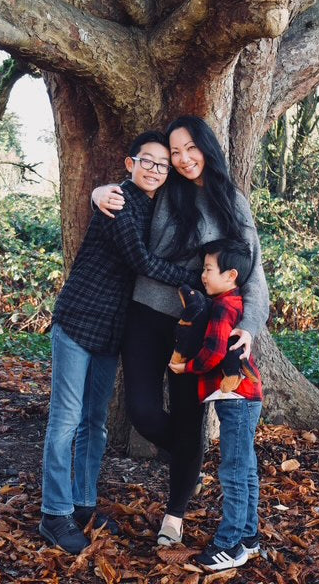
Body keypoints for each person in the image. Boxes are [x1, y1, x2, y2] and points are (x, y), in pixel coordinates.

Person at [92, 116, 269, 547]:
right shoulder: (167, 188)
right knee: (143, 412)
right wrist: (99, 192)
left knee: (190, 417)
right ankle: (192, 457)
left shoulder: (231, 200)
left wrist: (249, 326)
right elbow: (131, 187)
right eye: (175, 152)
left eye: (191, 148)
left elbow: (252, 270)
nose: (183, 158)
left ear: (207, 147)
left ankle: (175, 514)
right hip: (146, 312)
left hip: (199, 325)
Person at [40, 131, 201, 554]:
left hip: (111, 330)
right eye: (148, 161)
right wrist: (193, 280)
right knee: (66, 420)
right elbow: (142, 262)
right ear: (130, 164)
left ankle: (82, 505)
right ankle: (54, 513)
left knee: (94, 422)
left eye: (163, 165)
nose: (155, 169)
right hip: (78, 321)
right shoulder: (119, 201)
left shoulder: (154, 207)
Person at [169, 239, 263, 571]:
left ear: (230, 275)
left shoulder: (224, 307)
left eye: (208, 269)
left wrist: (186, 367)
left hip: (236, 398)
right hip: (246, 398)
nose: (203, 275)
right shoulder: (232, 303)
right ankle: (249, 536)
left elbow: (213, 352)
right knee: (245, 468)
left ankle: (230, 544)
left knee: (234, 471)